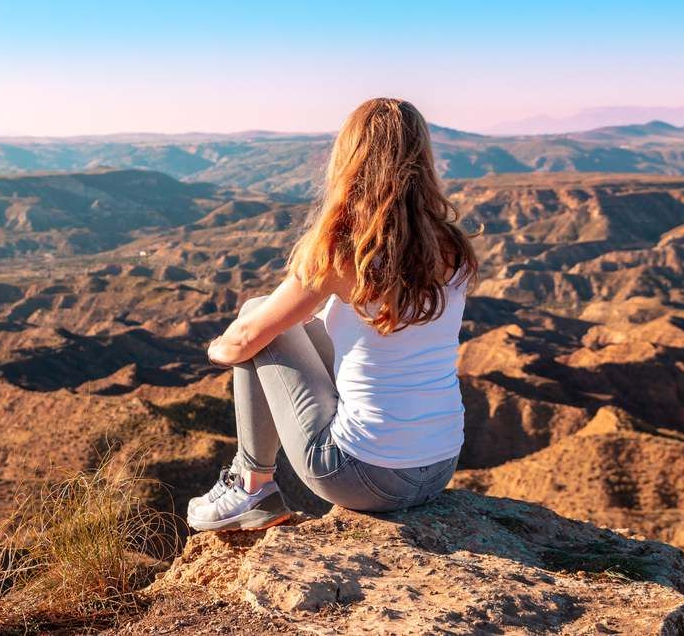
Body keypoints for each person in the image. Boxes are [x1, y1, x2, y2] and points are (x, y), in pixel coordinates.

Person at [188, 97, 478, 532]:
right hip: (439, 467)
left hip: (362, 476)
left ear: (351, 158)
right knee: (293, 325)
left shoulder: (347, 251)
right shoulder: (452, 246)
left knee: (258, 318)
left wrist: (219, 349)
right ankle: (250, 488)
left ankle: (250, 486)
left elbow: (246, 338)